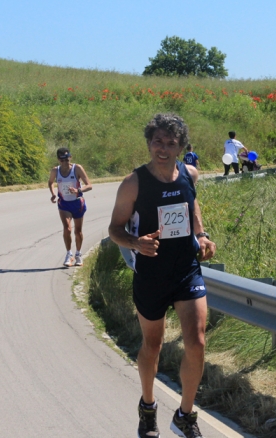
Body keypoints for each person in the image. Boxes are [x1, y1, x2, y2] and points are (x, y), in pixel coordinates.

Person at [108, 113, 216, 438]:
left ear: (181, 146)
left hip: (185, 269)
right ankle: (148, 406)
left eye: (171, 143)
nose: (163, 148)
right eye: (158, 141)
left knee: (196, 342)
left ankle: (185, 415)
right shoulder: (134, 183)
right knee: (152, 347)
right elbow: (114, 229)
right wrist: (134, 243)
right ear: (149, 143)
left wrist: (203, 235)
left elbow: (191, 206)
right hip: (152, 275)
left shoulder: (189, 174)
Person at [48, 147, 92, 267]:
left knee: (78, 231)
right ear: (58, 160)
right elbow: (50, 182)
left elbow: (89, 185)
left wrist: (78, 190)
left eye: (67, 159)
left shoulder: (77, 168)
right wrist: (53, 194)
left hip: (77, 203)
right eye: (62, 160)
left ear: (70, 158)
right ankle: (69, 254)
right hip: (64, 204)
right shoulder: (55, 171)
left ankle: (78, 254)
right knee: (67, 229)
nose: (65, 162)